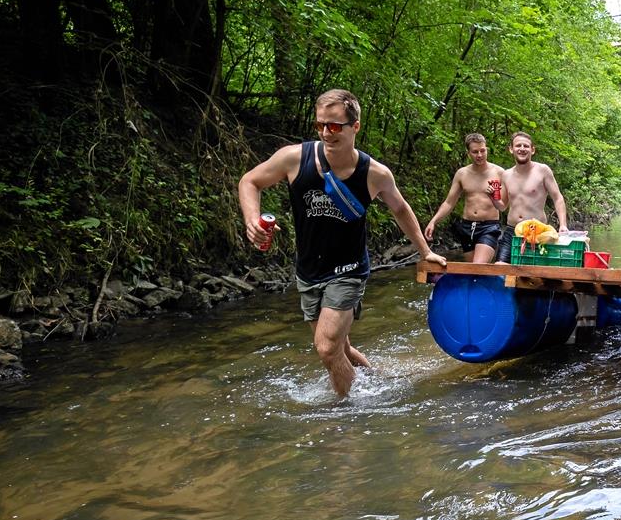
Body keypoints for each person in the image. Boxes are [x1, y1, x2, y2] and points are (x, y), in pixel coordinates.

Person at [238, 88, 447, 398]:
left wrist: (426, 252)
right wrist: (252, 220)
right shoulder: (295, 158)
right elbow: (250, 181)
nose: (326, 133)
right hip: (309, 271)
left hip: (348, 270)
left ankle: (345, 415)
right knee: (340, 348)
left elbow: (401, 209)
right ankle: (378, 381)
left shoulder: (375, 174)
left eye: (334, 126)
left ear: (355, 127)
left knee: (325, 347)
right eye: (320, 125)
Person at [423, 133, 507, 263]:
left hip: (489, 227)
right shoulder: (462, 174)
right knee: (470, 272)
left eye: (482, 150)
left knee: (477, 266)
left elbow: (504, 205)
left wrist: (493, 196)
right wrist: (433, 221)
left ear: (487, 149)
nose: (479, 155)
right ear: (468, 153)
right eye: (475, 152)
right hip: (467, 227)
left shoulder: (499, 173)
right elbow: (449, 203)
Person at [494, 131, 568, 263]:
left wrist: (563, 225)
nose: (522, 149)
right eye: (518, 146)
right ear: (511, 149)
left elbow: (558, 198)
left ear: (532, 150)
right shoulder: (506, 175)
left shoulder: (543, 170)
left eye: (526, 146)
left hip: (538, 231)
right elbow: (502, 206)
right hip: (512, 231)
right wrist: (492, 197)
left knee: (534, 274)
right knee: (500, 267)